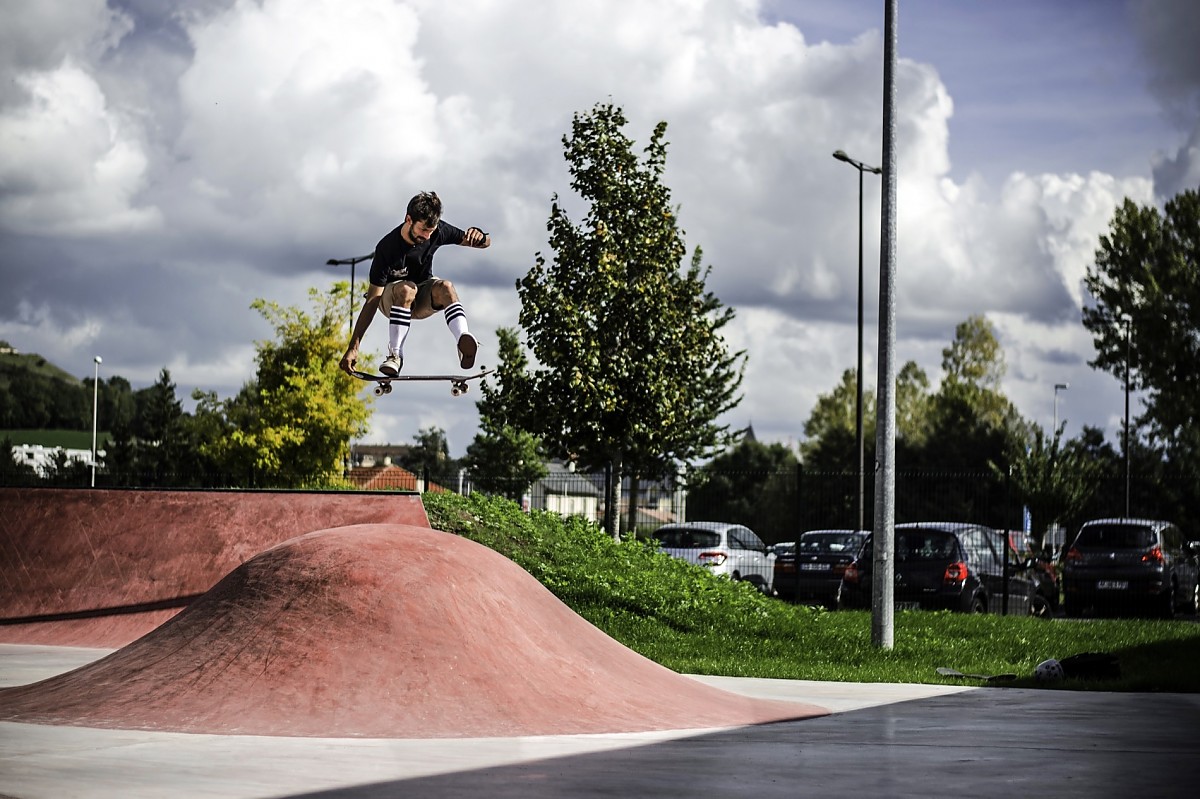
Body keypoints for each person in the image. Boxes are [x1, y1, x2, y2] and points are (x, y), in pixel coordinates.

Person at [339, 191, 490, 377]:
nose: (427, 236)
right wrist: (354, 346)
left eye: (431, 231)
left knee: (446, 287)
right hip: (390, 300)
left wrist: (480, 236)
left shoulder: (439, 231)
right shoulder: (387, 248)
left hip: (420, 297)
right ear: (408, 219)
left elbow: (484, 243)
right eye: (423, 230)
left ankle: (463, 340)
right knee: (406, 288)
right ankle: (395, 355)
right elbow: (372, 300)